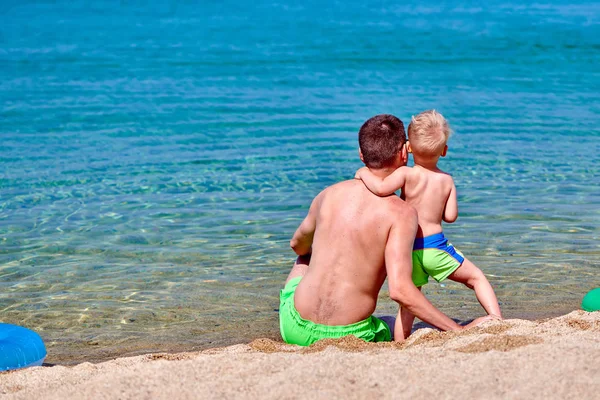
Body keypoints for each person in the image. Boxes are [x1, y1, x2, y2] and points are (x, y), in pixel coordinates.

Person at [279, 114, 496, 346]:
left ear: (361, 155)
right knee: (393, 322)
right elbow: (401, 291)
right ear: (404, 153)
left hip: (293, 328)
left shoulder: (327, 194)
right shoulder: (401, 213)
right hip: (351, 335)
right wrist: (457, 330)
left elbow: (297, 245)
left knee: (305, 255)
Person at [355, 110, 502, 340]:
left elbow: (382, 188)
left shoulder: (406, 174)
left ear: (408, 148)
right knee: (476, 278)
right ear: (444, 151)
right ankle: (496, 318)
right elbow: (451, 216)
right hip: (436, 248)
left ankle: (401, 342)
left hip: (410, 250)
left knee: (409, 303)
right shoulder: (446, 180)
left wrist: (363, 173)